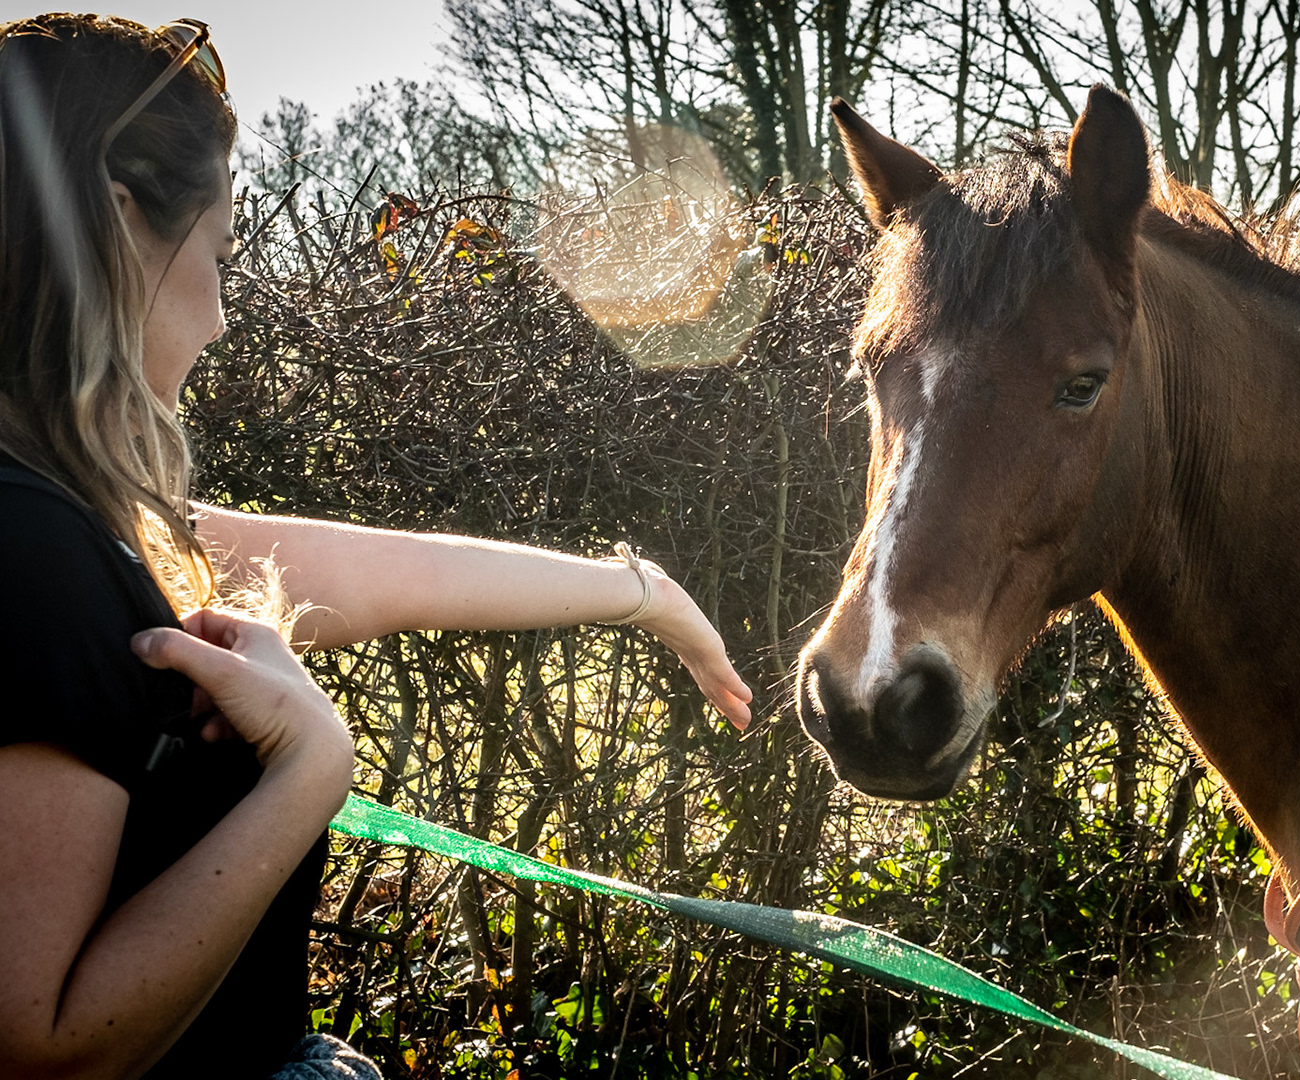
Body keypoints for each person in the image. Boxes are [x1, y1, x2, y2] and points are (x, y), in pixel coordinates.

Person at [0, 14, 752, 1080]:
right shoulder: (30, 548)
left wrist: (640, 593)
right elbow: (43, 1047)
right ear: (121, 223)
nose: (221, 318)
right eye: (218, 257)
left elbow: (383, 575)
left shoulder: (63, 525)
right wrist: (313, 767)